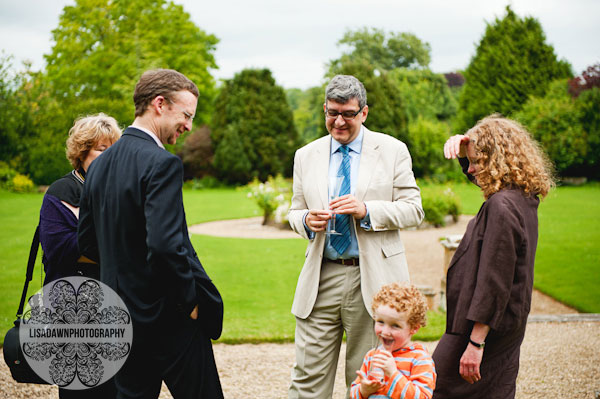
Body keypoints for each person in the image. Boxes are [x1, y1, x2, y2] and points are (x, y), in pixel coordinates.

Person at [78, 69, 224, 399]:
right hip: (169, 317)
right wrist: (190, 304)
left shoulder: (98, 166)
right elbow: (163, 247)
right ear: (159, 104)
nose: (188, 126)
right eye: (186, 115)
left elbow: (86, 242)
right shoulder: (162, 164)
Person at [288, 74, 424, 398]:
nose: (338, 121)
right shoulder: (306, 155)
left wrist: (367, 211)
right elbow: (294, 211)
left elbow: (414, 209)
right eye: (332, 112)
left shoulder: (392, 150)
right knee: (307, 378)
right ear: (324, 109)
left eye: (348, 114)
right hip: (321, 277)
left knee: (370, 378)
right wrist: (306, 219)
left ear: (364, 112)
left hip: (374, 278)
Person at [433, 115, 555, 398]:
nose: (471, 169)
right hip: (503, 321)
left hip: (484, 326)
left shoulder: (501, 206)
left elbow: (495, 278)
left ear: (496, 160)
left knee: (437, 386)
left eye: (477, 161)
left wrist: (476, 344)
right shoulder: (520, 197)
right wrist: (465, 151)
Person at [38, 113, 121, 398]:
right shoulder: (63, 190)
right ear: (82, 152)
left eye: (112, 149)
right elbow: (59, 249)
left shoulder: (119, 191)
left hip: (115, 304)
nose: (107, 156)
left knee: (117, 386)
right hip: (73, 307)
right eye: (100, 148)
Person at [350, 283, 436, 399]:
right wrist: (363, 390)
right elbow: (355, 391)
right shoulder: (372, 356)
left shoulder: (420, 359)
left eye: (395, 325)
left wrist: (393, 374)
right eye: (380, 321)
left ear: (414, 328)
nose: (385, 331)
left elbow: (422, 397)